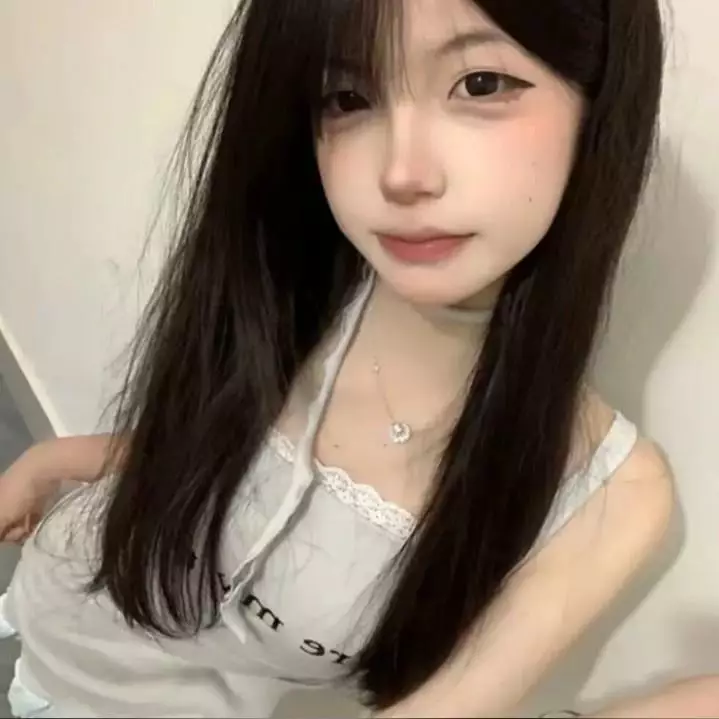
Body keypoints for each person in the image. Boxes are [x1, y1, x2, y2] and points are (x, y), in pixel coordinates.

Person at [0, 0, 703, 715]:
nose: (401, 172)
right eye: (347, 98)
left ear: (598, 106)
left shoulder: (605, 493)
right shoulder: (299, 283)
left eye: (481, 83)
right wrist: (53, 461)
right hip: (52, 601)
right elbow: (208, 461)